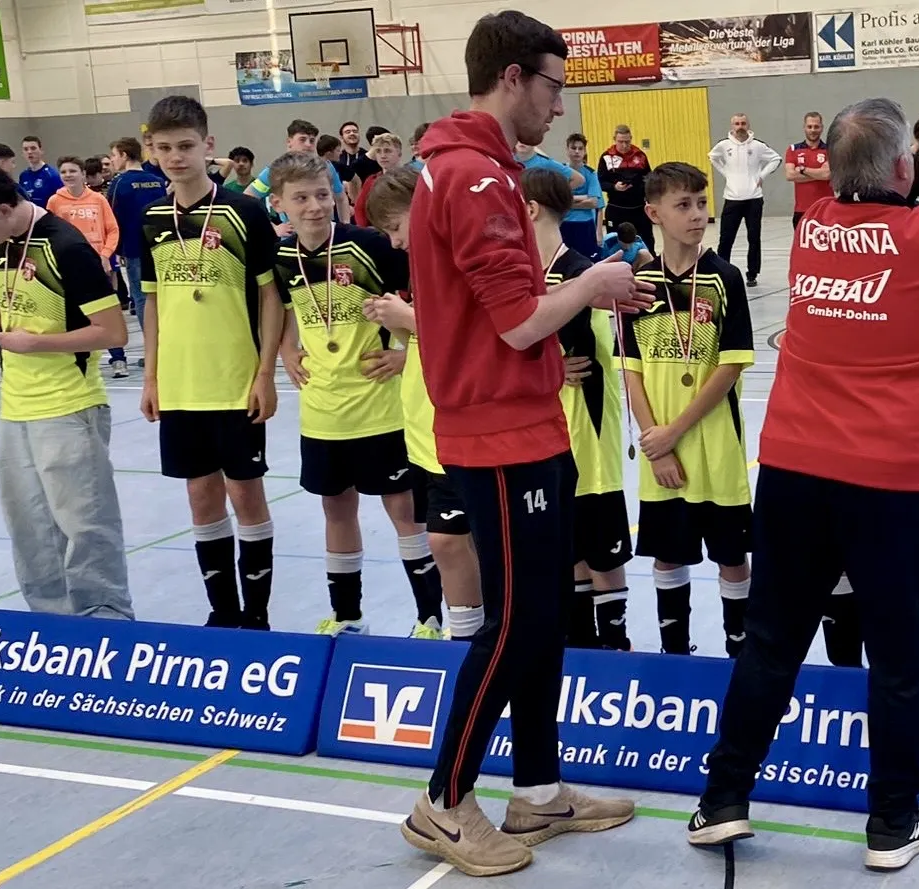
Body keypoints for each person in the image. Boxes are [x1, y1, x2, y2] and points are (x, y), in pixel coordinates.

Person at [687, 98, 919, 872]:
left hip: (791, 472)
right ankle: (891, 818)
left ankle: (722, 797)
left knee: (771, 642)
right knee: (898, 654)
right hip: (888, 479)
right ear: (904, 168)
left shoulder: (813, 227)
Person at [396, 10, 650, 878]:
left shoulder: (483, 168)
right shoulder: (469, 175)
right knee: (513, 622)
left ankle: (537, 790)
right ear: (512, 78)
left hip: (527, 421)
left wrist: (584, 290)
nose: (558, 104)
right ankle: (443, 800)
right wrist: (594, 279)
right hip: (495, 431)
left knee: (542, 614)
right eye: (552, 85)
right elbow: (514, 324)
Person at [0, 159, 133, 619]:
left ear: (4, 208)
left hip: (68, 406)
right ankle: (50, 623)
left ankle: (106, 622)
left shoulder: (66, 247)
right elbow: (10, 298)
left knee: (85, 527)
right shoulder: (1, 244)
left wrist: (36, 343)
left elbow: (112, 331)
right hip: (17, 408)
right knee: (30, 528)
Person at [269, 151, 445, 639]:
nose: (313, 206)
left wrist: (406, 356)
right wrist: (286, 348)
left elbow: (427, 302)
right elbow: (284, 307)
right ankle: (347, 615)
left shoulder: (368, 245)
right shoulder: (282, 258)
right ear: (279, 203)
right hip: (322, 410)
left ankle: (429, 618)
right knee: (336, 510)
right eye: (300, 198)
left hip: (380, 407)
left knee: (404, 511)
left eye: (322, 195)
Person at [139, 95, 285, 630]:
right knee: (200, 496)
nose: (175, 157)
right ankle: (222, 613)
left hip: (235, 379)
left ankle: (257, 615)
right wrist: (151, 376)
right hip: (179, 384)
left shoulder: (244, 212)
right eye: (164, 148)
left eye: (185, 146)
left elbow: (271, 297)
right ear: (152, 151)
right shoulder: (152, 218)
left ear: (208, 146)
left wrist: (265, 374)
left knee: (245, 493)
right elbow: (152, 301)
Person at [621, 161, 754, 657]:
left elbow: (731, 365)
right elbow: (630, 370)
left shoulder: (725, 278)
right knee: (668, 557)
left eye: (701, 203)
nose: (697, 214)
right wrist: (656, 444)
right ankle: (674, 651)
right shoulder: (636, 285)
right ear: (654, 212)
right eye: (683, 205)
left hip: (716, 449)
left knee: (732, 557)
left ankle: (739, 650)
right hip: (662, 453)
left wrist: (673, 431)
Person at [360, 167, 485, 643]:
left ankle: (483, 637)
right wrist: (398, 331)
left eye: (396, 227)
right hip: (422, 427)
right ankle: (466, 638)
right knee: (447, 541)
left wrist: (408, 318)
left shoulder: (465, 258)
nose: (394, 242)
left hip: (462, 429)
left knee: (454, 540)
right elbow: (428, 341)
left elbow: (476, 338)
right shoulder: (420, 266)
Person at [522, 167, 634, 651]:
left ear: (529, 211)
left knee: (602, 548)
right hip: (540, 431)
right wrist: (549, 369)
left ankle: (616, 641)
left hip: (587, 428)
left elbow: (593, 354)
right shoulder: (523, 277)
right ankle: (580, 643)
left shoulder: (584, 274)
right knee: (565, 546)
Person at [47, 155, 124, 378]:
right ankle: (79, 361)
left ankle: (118, 359)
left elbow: (112, 229)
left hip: (97, 264)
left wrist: (106, 255)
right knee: (74, 315)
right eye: (63, 172)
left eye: (72, 171)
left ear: (83, 174)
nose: (68, 175)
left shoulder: (98, 200)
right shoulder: (55, 201)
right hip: (68, 267)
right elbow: (49, 234)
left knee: (106, 313)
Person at [106, 136, 167, 366]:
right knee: (163, 297)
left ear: (124, 155)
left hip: (134, 248)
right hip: (162, 246)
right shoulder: (157, 181)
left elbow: (112, 217)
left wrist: (117, 248)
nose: (112, 160)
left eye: (114, 155)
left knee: (142, 299)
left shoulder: (119, 183)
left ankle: (153, 349)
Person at [708, 114, 781, 287]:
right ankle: (722, 271)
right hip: (732, 198)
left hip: (754, 199)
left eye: (743, 123)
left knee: (754, 238)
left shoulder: (757, 146)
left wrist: (762, 176)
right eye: (737, 123)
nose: (740, 126)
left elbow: (776, 159)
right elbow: (712, 157)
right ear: (732, 126)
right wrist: (726, 173)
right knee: (726, 238)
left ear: (748, 125)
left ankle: (752, 273)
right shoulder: (724, 145)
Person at [246, 119, 351, 226]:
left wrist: (346, 226)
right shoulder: (274, 171)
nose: (308, 144)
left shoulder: (326, 167)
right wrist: (272, 228)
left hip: (324, 228)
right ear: (289, 142)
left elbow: (341, 198)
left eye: (312, 141)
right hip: (292, 232)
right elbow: (247, 199)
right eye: (302, 139)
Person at [599, 123, 654, 249]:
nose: (624, 145)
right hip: (616, 208)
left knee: (647, 243)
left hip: (638, 209)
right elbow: (600, 182)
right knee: (614, 244)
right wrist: (614, 187)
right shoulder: (606, 157)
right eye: (621, 142)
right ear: (614, 140)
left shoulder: (640, 156)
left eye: (627, 142)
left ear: (631, 139)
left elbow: (649, 179)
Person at [351, 133, 410, 227]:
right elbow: (360, 208)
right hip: (377, 230)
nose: (383, 156)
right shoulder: (371, 180)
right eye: (378, 151)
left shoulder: (410, 179)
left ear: (399, 154)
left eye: (387, 151)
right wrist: (364, 230)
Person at [561, 133, 603, 257]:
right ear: (567, 150)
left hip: (585, 224)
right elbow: (555, 200)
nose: (577, 152)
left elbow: (593, 202)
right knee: (564, 261)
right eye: (573, 148)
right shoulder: (559, 172)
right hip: (563, 223)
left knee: (586, 261)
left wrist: (567, 201)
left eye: (580, 148)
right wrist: (584, 197)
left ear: (584, 151)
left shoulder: (591, 173)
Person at [785, 111, 829, 227]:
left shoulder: (830, 150)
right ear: (804, 127)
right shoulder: (793, 149)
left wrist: (803, 170)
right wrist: (818, 174)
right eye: (809, 127)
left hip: (826, 208)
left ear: (822, 128)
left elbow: (827, 175)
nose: (813, 130)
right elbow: (790, 175)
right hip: (802, 210)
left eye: (816, 127)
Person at [19, 136, 63, 208]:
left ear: (41, 150)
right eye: (26, 149)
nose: (29, 152)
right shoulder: (23, 176)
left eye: (33, 148)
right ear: (22, 153)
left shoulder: (52, 175)